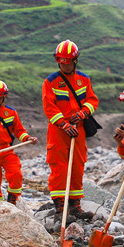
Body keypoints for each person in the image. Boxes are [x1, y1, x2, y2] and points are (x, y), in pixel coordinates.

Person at [42, 40, 99, 221]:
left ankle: (75, 206)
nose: (64, 64)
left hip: (78, 130)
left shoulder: (84, 79)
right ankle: (60, 207)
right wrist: (64, 124)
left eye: (68, 61)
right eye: (61, 61)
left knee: (77, 166)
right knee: (59, 167)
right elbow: (49, 107)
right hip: (59, 131)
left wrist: (83, 113)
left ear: (75, 61)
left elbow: (92, 100)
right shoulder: (50, 82)